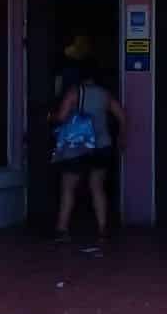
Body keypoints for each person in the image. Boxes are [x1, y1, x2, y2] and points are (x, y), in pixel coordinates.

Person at [50, 41, 126, 243]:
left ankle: (62, 229)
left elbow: (62, 117)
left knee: (68, 187)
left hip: (78, 147)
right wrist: (121, 137)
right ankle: (102, 228)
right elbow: (121, 116)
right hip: (102, 146)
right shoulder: (105, 94)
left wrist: (51, 118)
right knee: (97, 187)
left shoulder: (75, 92)